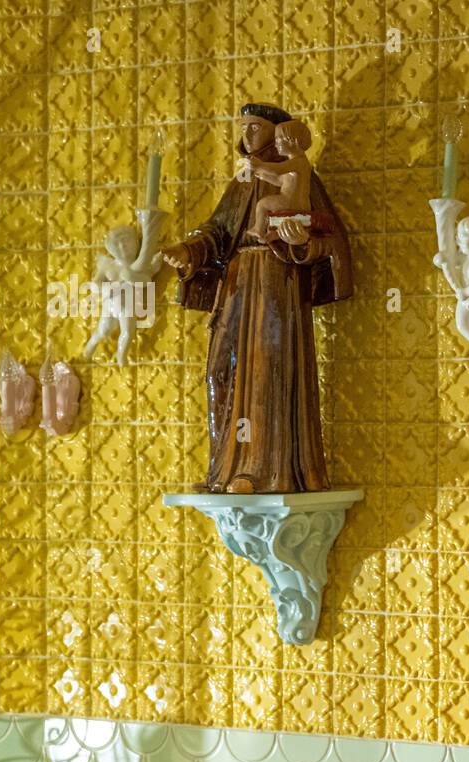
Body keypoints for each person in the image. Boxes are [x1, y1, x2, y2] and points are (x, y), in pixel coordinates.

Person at [161, 102, 352, 494]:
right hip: (236, 283)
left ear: (278, 132)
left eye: (255, 127)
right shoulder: (242, 182)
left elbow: (327, 233)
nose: (247, 134)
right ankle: (225, 470)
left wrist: (302, 244)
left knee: (267, 372)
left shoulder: (295, 169)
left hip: (275, 281)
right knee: (222, 370)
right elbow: (218, 231)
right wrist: (189, 252)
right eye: (243, 127)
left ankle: (266, 471)